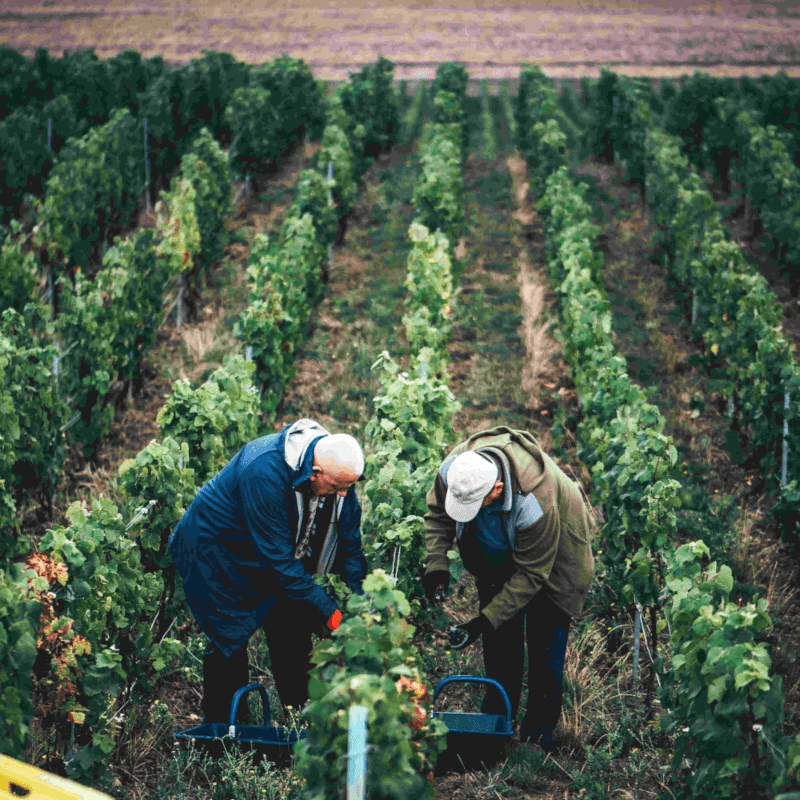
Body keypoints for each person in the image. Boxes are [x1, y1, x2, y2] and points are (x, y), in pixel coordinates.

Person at [169, 418, 367, 722]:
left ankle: (299, 716)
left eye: (347, 488)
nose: (342, 495)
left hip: (267, 548)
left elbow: (350, 546)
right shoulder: (264, 471)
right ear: (315, 472)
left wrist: (362, 606)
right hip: (218, 550)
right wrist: (332, 616)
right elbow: (281, 566)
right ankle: (226, 731)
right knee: (230, 638)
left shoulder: (336, 472)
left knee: (292, 623)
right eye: (336, 488)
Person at [423, 426, 594, 752]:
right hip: (501, 548)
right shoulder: (457, 472)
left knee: (545, 643)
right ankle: (498, 722)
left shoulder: (534, 502)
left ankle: (537, 736)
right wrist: (437, 565)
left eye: (476, 503)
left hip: (554, 560)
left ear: (498, 488)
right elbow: (437, 515)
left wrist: (481, 621)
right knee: (499, 637)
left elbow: (532, 574)